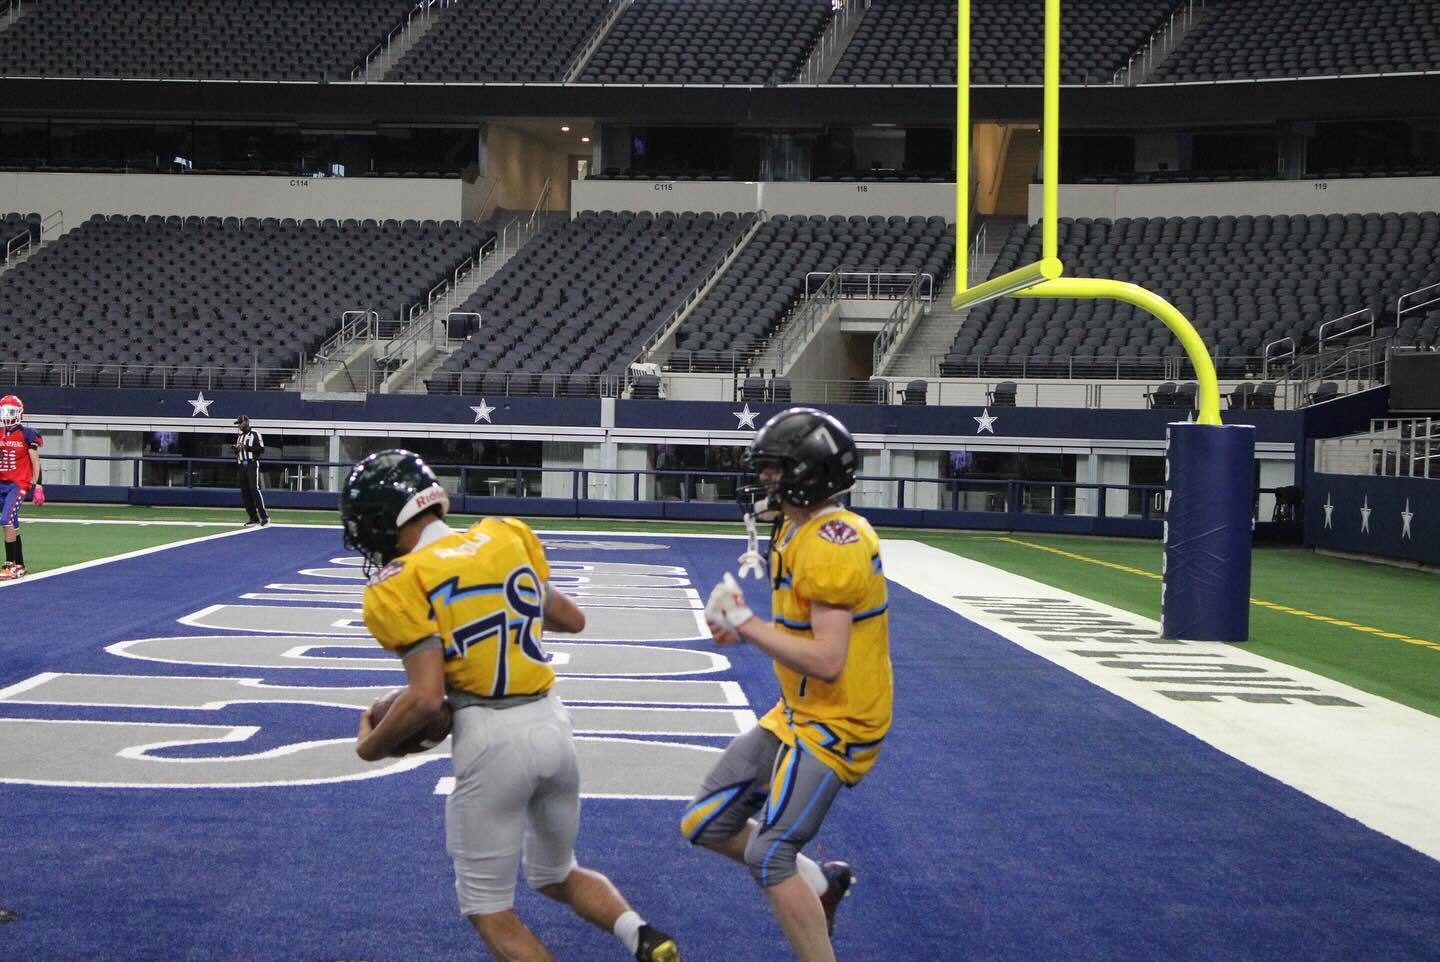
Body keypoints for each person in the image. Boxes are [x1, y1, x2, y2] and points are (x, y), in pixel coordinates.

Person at [342, 450, 681, 962]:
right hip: (553, 725)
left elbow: (428, 696)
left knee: (490, 908)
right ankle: (644, 938)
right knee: (555, 872)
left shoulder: (399, 582)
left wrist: (371, 746)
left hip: (491, 737)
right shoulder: (504, 536)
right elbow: (572, 619)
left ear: (379, 520)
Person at [683, 408, 892, 962]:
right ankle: (823, 885)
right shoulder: (799, 528)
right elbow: (803, 635)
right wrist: (742, 629)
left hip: (840, 722)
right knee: (705, 822)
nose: (767, 479)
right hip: (799, 712)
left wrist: (746, 624)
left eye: (777, 469)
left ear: (809, 472)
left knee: (770, 853)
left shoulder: (834, 540)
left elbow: (827, 659)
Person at [0, 394, 44, 581]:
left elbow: (36, 462)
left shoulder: (28, 434)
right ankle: (20, 566)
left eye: (11, 411)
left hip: (18, 484)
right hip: (1, 482)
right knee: (12, 524)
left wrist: (39, 485)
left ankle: (9, 565)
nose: (7, 415)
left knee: (6, 519)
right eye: (4, 411)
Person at [233, 415, 269, 527]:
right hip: (242, 464)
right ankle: (253, 518)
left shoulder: (254, 433)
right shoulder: (240, 436)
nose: (239, 425)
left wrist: (246, 447)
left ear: (246, 422)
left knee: (254, 489)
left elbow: (261, 449)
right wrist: (236, 449)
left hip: (252, 464)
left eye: (240, 423)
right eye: (238, 423)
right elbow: (240, 451)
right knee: (245, 492)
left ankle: (264, 517)